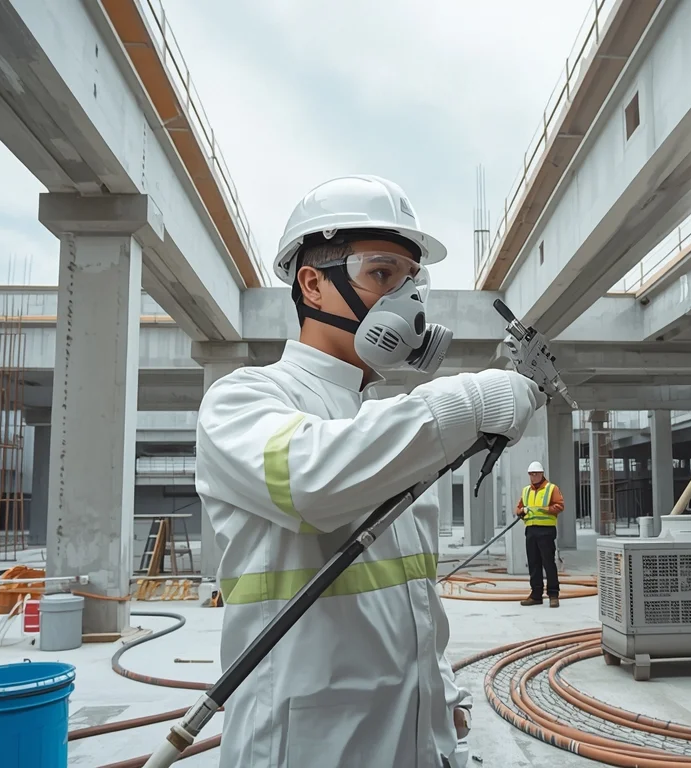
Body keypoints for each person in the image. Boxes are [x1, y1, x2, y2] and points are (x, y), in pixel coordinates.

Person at [195, 175, 547, 768]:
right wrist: (466, 401)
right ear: (313, 284)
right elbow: (314, 479)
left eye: (412, 282)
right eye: (381, 274)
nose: (404, 303)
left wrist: (444, 696)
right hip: (305, 746)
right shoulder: (244, 401)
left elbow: (417, 598)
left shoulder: (387, 430)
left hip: (416, 743)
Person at [514, 460, 564, 608]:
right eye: (531, 474)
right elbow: (518, 508)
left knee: (548, 563)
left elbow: (560, 506)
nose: (533, 476)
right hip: (531, 531)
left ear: (542, 474)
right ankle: (536, 595)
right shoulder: (526, 491)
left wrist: (544, 509)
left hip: (546, 531)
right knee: (534, 563)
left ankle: (553, 594)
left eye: (536, 474)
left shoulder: (551, 488)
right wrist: (522, 511)